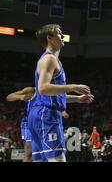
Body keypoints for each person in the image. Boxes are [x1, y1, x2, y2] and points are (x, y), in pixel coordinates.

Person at [27, 24, 94, 162]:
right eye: (59, 33)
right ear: (49, 38)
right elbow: (43, 88)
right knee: (57, 159)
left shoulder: (49, 59)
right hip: (47, 115)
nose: (62, 36)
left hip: (38, 114)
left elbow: (51, 94)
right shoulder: (49, 59)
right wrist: (73, 86)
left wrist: (77, 99)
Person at [6, 87, 36, 162]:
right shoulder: (31, 90)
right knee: (29, 152)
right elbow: (9, 97)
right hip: (29, 123)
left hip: (45, 123)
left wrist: (62, 111)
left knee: (44, 153)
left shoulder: (51, 91)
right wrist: (21, 97)